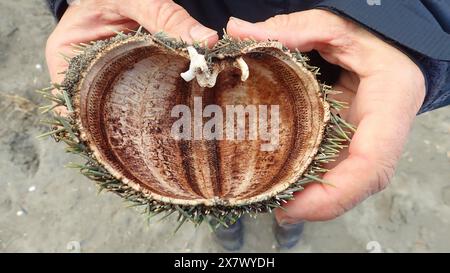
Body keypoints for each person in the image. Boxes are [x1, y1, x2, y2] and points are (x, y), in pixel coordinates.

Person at [45, 0, 450, 251]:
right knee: (233, 201)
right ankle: (230, 222)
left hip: (325, 59)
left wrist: (404, 34)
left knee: (318, 176)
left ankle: (285, 220)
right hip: (149, 28)